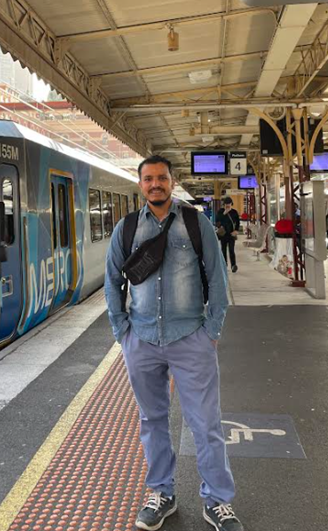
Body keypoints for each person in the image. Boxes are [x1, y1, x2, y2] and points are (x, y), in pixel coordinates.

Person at [105, 155, 243, 531]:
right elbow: (112, 282)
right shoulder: (127, 227)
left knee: (206, 424)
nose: (155, 184)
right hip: (143, 339)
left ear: (172, 181)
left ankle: (217, 501)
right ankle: (161, 493)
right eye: (148, 179)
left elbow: (217, 281)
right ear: (141, 185)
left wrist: (211, 331)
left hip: (190, 339)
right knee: (152, 420)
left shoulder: (197, 224)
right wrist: (123, 333)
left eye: (161, 178)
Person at [215, 197, 240, 273]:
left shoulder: (234, 212)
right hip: (223, 235)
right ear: (224, 204)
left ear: (231, 204)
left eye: (229, 204)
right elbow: (217, 222)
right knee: (223, 250)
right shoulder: (220, 212)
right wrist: (224, 214)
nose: (227, 205)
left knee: (231, 250)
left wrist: (236, 230)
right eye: (226, 204)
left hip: (231, 234)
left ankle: (233, 265)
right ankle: (224, 264)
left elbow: (237, 223)